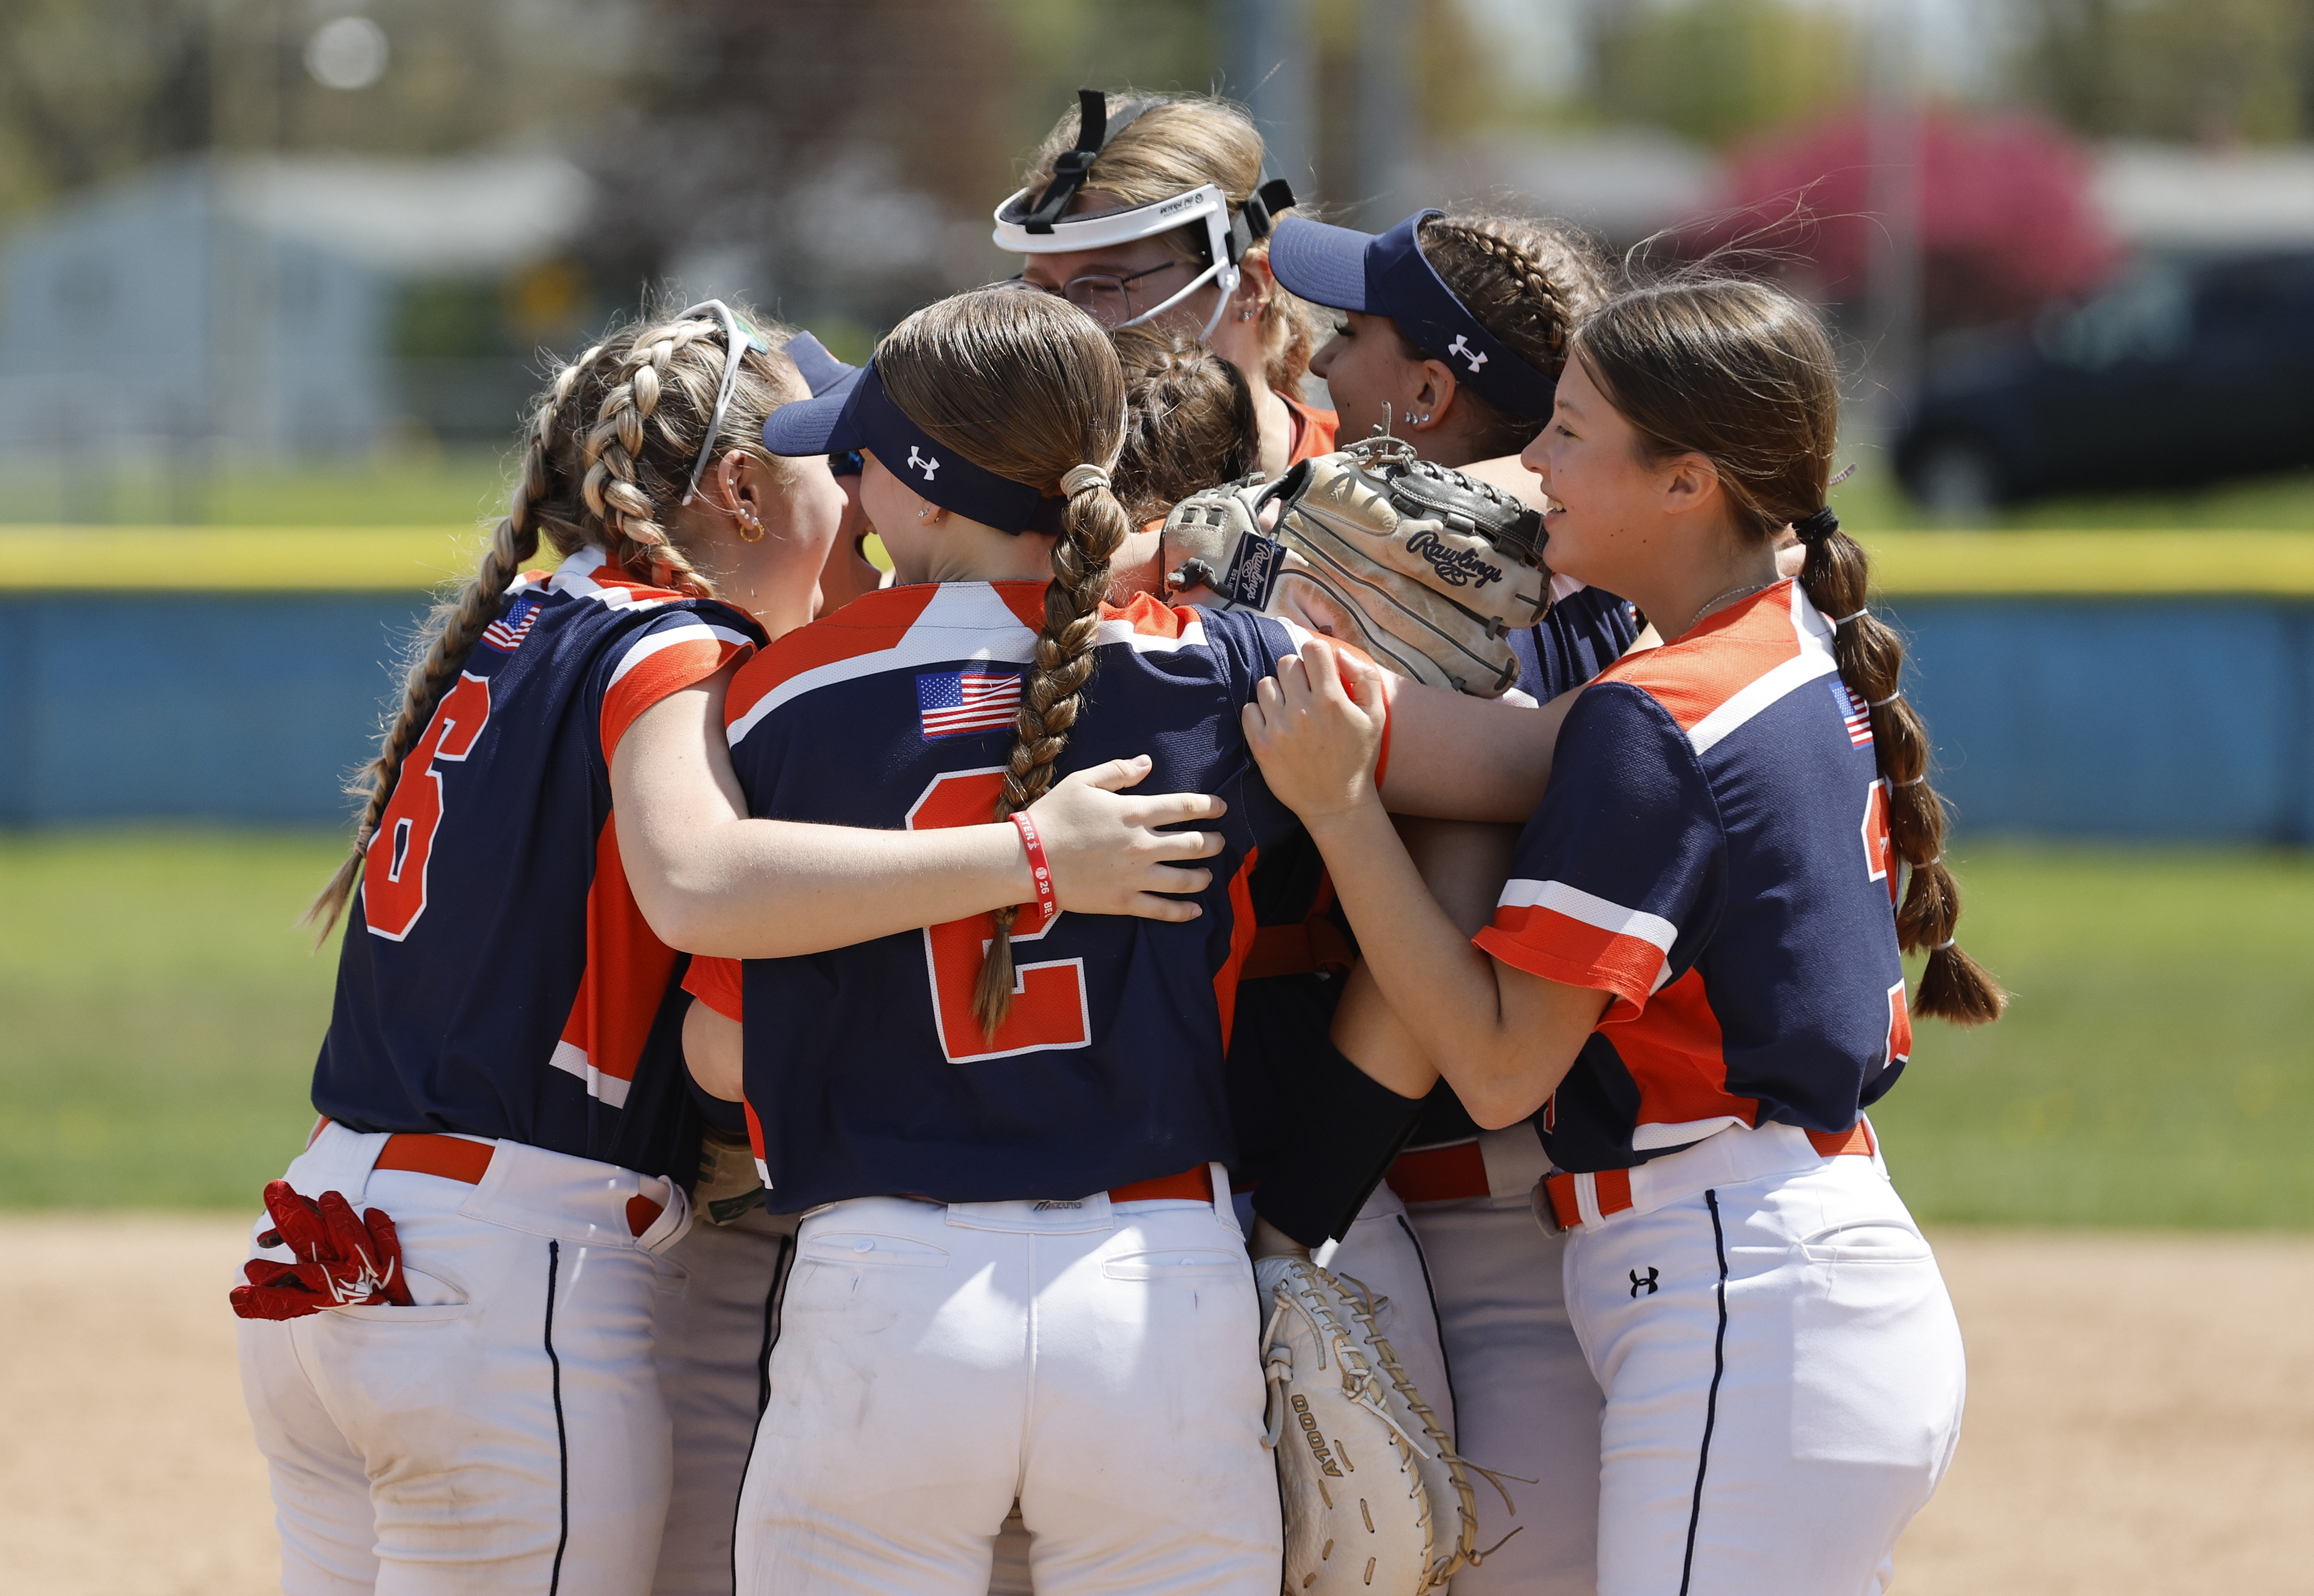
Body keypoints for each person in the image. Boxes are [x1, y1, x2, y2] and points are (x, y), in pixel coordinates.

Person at [231, 297, 1238, 1596]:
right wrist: (1034, 855)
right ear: (743, 490)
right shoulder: (676, 642)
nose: (863, 501)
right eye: (836, 468)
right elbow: (699, 884)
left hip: (348, 1233)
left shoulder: (530, 617)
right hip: (502, 1269)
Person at [674, 286, 1566, 1596]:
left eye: (856, 463)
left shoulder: (780, 692)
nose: (849, 498)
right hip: (1159, 1285)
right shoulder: (1220, 661)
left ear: (923, 494)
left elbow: (716, 1055)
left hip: (889, 1286)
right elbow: (1535, 767)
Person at [1242, 275, 1997, 1596]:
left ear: (1687, 482)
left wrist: (1341, 809)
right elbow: (1497, 758)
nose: (1531, 464)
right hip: (1797, 1269)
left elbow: (1494, 1070)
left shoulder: (1649, 717)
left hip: (1738, 1294)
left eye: (1570, 433)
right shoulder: (1787, 639)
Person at [1259, 204, 1634, 1591]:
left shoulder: (1513, 607)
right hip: (1449, 1206)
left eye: (1348, 339)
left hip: (1513, 1224)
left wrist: (1283, 1225)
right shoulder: (1534, 571)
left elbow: (1452, 930)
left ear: (1426, 394)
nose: (1317, 363)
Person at [998, 89, 1336, 476]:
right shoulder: (1004, 504)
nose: (1063, 325)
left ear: (1247, 286)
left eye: (1105, 286)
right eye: (1040, 291)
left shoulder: (1368, 484)